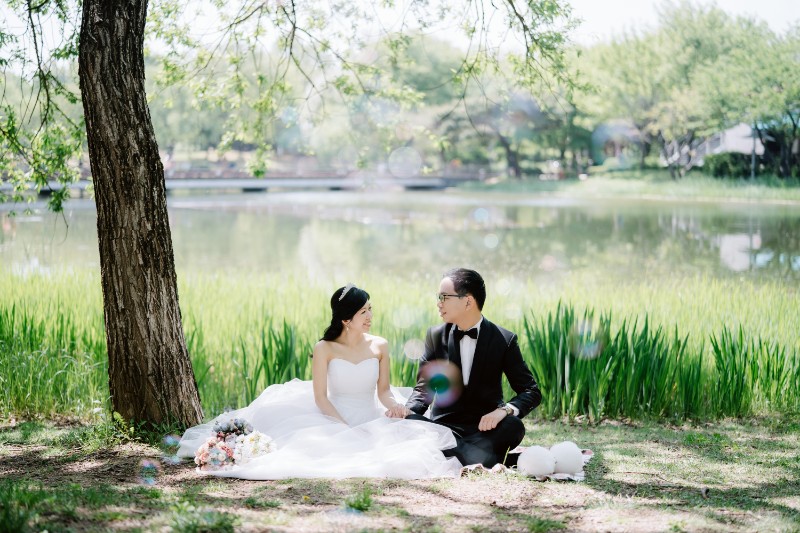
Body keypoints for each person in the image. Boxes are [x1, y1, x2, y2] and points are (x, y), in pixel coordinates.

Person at [177, 283, 461, 479]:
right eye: (364, 311)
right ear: (346, 319)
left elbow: (384, 391)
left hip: (370, 413)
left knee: (411, 446)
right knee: (320, 452)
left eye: (370, 309)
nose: (370, 316)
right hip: (331, 415)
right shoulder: (324, 348)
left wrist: (394, 407)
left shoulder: (380, 346)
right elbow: (321, 398)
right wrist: (345, 428)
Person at [405, 268, 541, 468]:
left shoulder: (504, 339)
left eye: (444, 297)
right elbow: (423, 390)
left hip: (485, 429)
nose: (438, 303)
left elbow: (531, 391)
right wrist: (407, 413)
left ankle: (454, 454)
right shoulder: (435, 336)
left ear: (467, 301)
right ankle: (485, 458)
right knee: (412, 424)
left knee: (514, 426)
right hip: (443, 428)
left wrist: (504, 411)